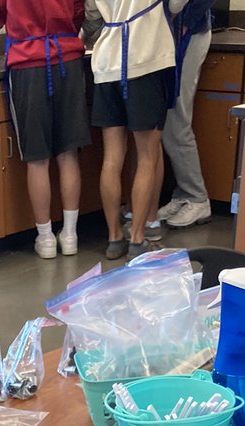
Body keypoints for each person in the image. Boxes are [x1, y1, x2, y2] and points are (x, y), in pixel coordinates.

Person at [0, 0, 89, 259]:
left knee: (37, 159)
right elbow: (79, 10)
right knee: (68, 153)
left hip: (28, 64)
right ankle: (70, 235)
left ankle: (45, 237)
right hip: (67, 60)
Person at [85, 0, 186, 259]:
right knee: (147, 156)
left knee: (112, 158)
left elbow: (92, 15)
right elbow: (175, 5)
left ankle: (114, 238)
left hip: (108, 63)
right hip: (147, 59)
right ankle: (138, 239)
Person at [157, 0, 214, 228]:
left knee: (176, 119)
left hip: (187, 32)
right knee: (169, 120)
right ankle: (183, 193)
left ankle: (197, 198)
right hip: (176, 32)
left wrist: (185, 24)